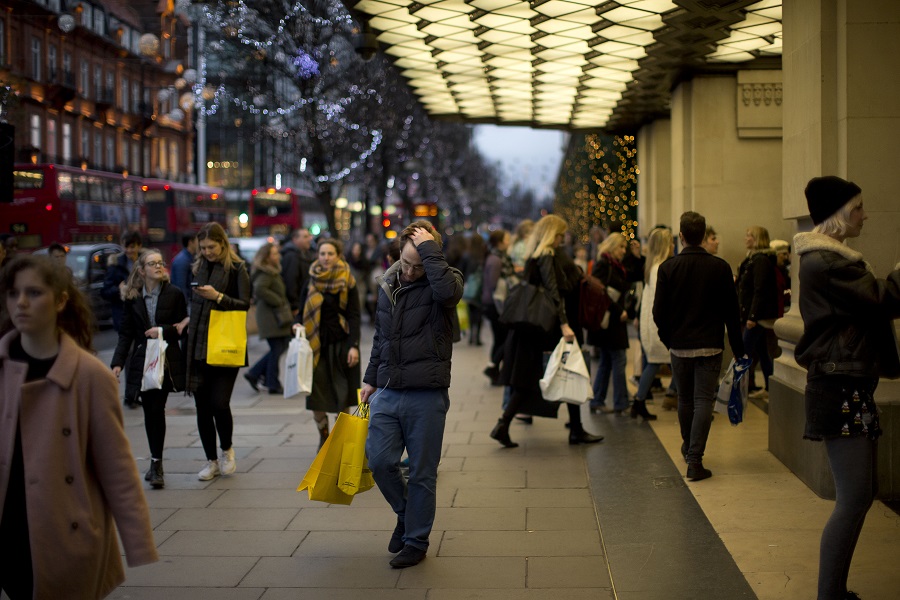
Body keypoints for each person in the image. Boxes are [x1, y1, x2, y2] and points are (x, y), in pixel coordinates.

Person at [0, 255, 158, 598]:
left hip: (64, 534)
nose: (21, 303)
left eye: (34, 293)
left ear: (60, 300)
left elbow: (117, 468)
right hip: (7, 530)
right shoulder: (3, 367)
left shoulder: (89, 375)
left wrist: (138, 543)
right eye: (13, 293)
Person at [793, 176, 900, 600]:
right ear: (838, 215)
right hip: (838, 389)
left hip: (846, 386)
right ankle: (829, 594)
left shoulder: (831, 260)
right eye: (857, 208)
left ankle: (833, 591)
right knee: (854, 497)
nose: (865, 215)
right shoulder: (828, 262)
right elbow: (883, 298)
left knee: (861, 493)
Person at [362, 220, 463, 569]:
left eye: (418, 265)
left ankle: (416, 541)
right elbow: (381, 337)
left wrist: (428, 251)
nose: (409, 271)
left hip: (427, 394)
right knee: (379, 461)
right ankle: (406, 515)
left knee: (422, 472)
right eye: (405, 262)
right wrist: (370, 378)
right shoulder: (388, 282)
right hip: (388, 390)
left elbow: (448, 294)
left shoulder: (445, 280)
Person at [490, 214, 603, 448]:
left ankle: (506, 424)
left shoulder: (536, 254)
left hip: (538, 326)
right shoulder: (547, 255)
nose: (562, 238)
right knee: (567, 369)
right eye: (560, 233)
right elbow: (554, 291)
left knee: (536, 376)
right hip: (549, 326)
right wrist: (564, 324)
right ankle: (575, 430)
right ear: (553, 233)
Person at [653, 211, 745, 481]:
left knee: (685, 399)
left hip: (679, 346)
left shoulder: (668, 268)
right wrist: (739, 350)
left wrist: (669, 339)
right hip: (711, 346)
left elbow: (659, 312)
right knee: (704, 400)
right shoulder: (721, 268)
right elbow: (732, 314)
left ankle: (688, 447)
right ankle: (695, 459)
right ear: (704, 236)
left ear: (681, 236)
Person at [110, 249, 188, 489]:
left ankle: (156, 464)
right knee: (149, 412)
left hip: (166, 359)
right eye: (152, 263)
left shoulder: (174, 294)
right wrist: (117, 363)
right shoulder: (133, 297)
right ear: (141, 270)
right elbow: (126, 334)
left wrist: (162, 330)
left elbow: (183, 325)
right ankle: (156, 461)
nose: (158, 266)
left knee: (157, 408)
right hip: (142, 360)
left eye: (160, 262)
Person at [184, 222, 251, 481]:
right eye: (203, 248)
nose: (208, 252)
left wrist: (218, 297)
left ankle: (227, 450)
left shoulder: (237, 269)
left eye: (212, 247)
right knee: (202, 406)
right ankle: (210, 460)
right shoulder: (198, 266)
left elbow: (245, 304)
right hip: (199, 344)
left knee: (219, 403)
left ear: (223, 244)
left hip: (225, 344)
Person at [301, 238, 361, 449]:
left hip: (340, 344)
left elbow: (354, 315)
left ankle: (339, 441)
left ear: (338, 256)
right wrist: (295, 326)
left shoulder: (347, 280)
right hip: (315, 346)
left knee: (341, 396)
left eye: (330, 254)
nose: (325, 258)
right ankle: (324, 436)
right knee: (316, 398)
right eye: (322, 254)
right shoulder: (311, 279)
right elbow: (300, 311)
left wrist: (353, 345)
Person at [588, 233, 634, 415]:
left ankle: (598, 399)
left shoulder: (615, 265)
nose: (623, 251)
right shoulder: (603, 264)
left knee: (607, 361)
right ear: (611, 247)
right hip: (609, 321)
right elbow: (599, 293)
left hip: (612, 322)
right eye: (621, 247)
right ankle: (621, 402)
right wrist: (619, 310)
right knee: (618, 359)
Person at [634, 228, 675, 421]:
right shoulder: (661, 268)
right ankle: (689, 404)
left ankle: (639, 401)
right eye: (671, 242)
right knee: (671, 362)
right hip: (660, 325)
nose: (674, 246)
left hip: (651, 323)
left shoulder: (652, 266)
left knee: (657, 363)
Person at [736, 225, 779, 400]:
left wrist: (752, 316)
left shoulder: (761, 260)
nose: (746, 238)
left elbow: (759, 290)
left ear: (757, 239)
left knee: (743, 351)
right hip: (754, 315)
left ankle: (736, 388)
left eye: (749, 236)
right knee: (762, 352)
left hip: (757, 317)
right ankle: (769, 387)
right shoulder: (752, 259)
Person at [244, 243, 292, 395]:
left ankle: (258, 374)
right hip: (270, 316)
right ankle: (270, 381)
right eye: (274, 254)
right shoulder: (265, 272)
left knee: (278, 348)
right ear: (266, 257)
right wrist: (277, 300)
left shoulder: (272, 271)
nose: (278, 256)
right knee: (276, 349)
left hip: (275, 315)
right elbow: (260, 289)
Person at [482, 229, 513, 385]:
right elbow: (494, 284)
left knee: (500, 339)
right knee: (503, 339)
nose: (509, 242)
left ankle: (495, 371)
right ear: (500, 242)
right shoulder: (496, 259)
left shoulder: (498, 257)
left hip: (495, 304)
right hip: (495, 305)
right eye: (507, 239)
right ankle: (493, 369)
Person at [102, 231, 143, 335]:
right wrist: (120, 289)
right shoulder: (115, 264)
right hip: (124, 317)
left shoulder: (147, 262)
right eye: (126, 247)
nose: (128, 250)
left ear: (139, 246)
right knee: (127, 349)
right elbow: (105, 291)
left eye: (132, 247)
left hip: (144, 316)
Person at [281, 228, 316, 316]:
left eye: (309, 236)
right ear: (295, 239)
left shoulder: (304, 254)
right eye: (305, 237)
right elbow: (291, 281)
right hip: (297, 306)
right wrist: (294, 306)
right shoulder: (291, 256)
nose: (309, 239)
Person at [170, 232, 198, 305]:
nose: (198, 244)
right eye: (196, 241)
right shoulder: (182, 260)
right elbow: (181, 285)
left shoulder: (189, 257)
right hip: (184, 303)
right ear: (190, 242)